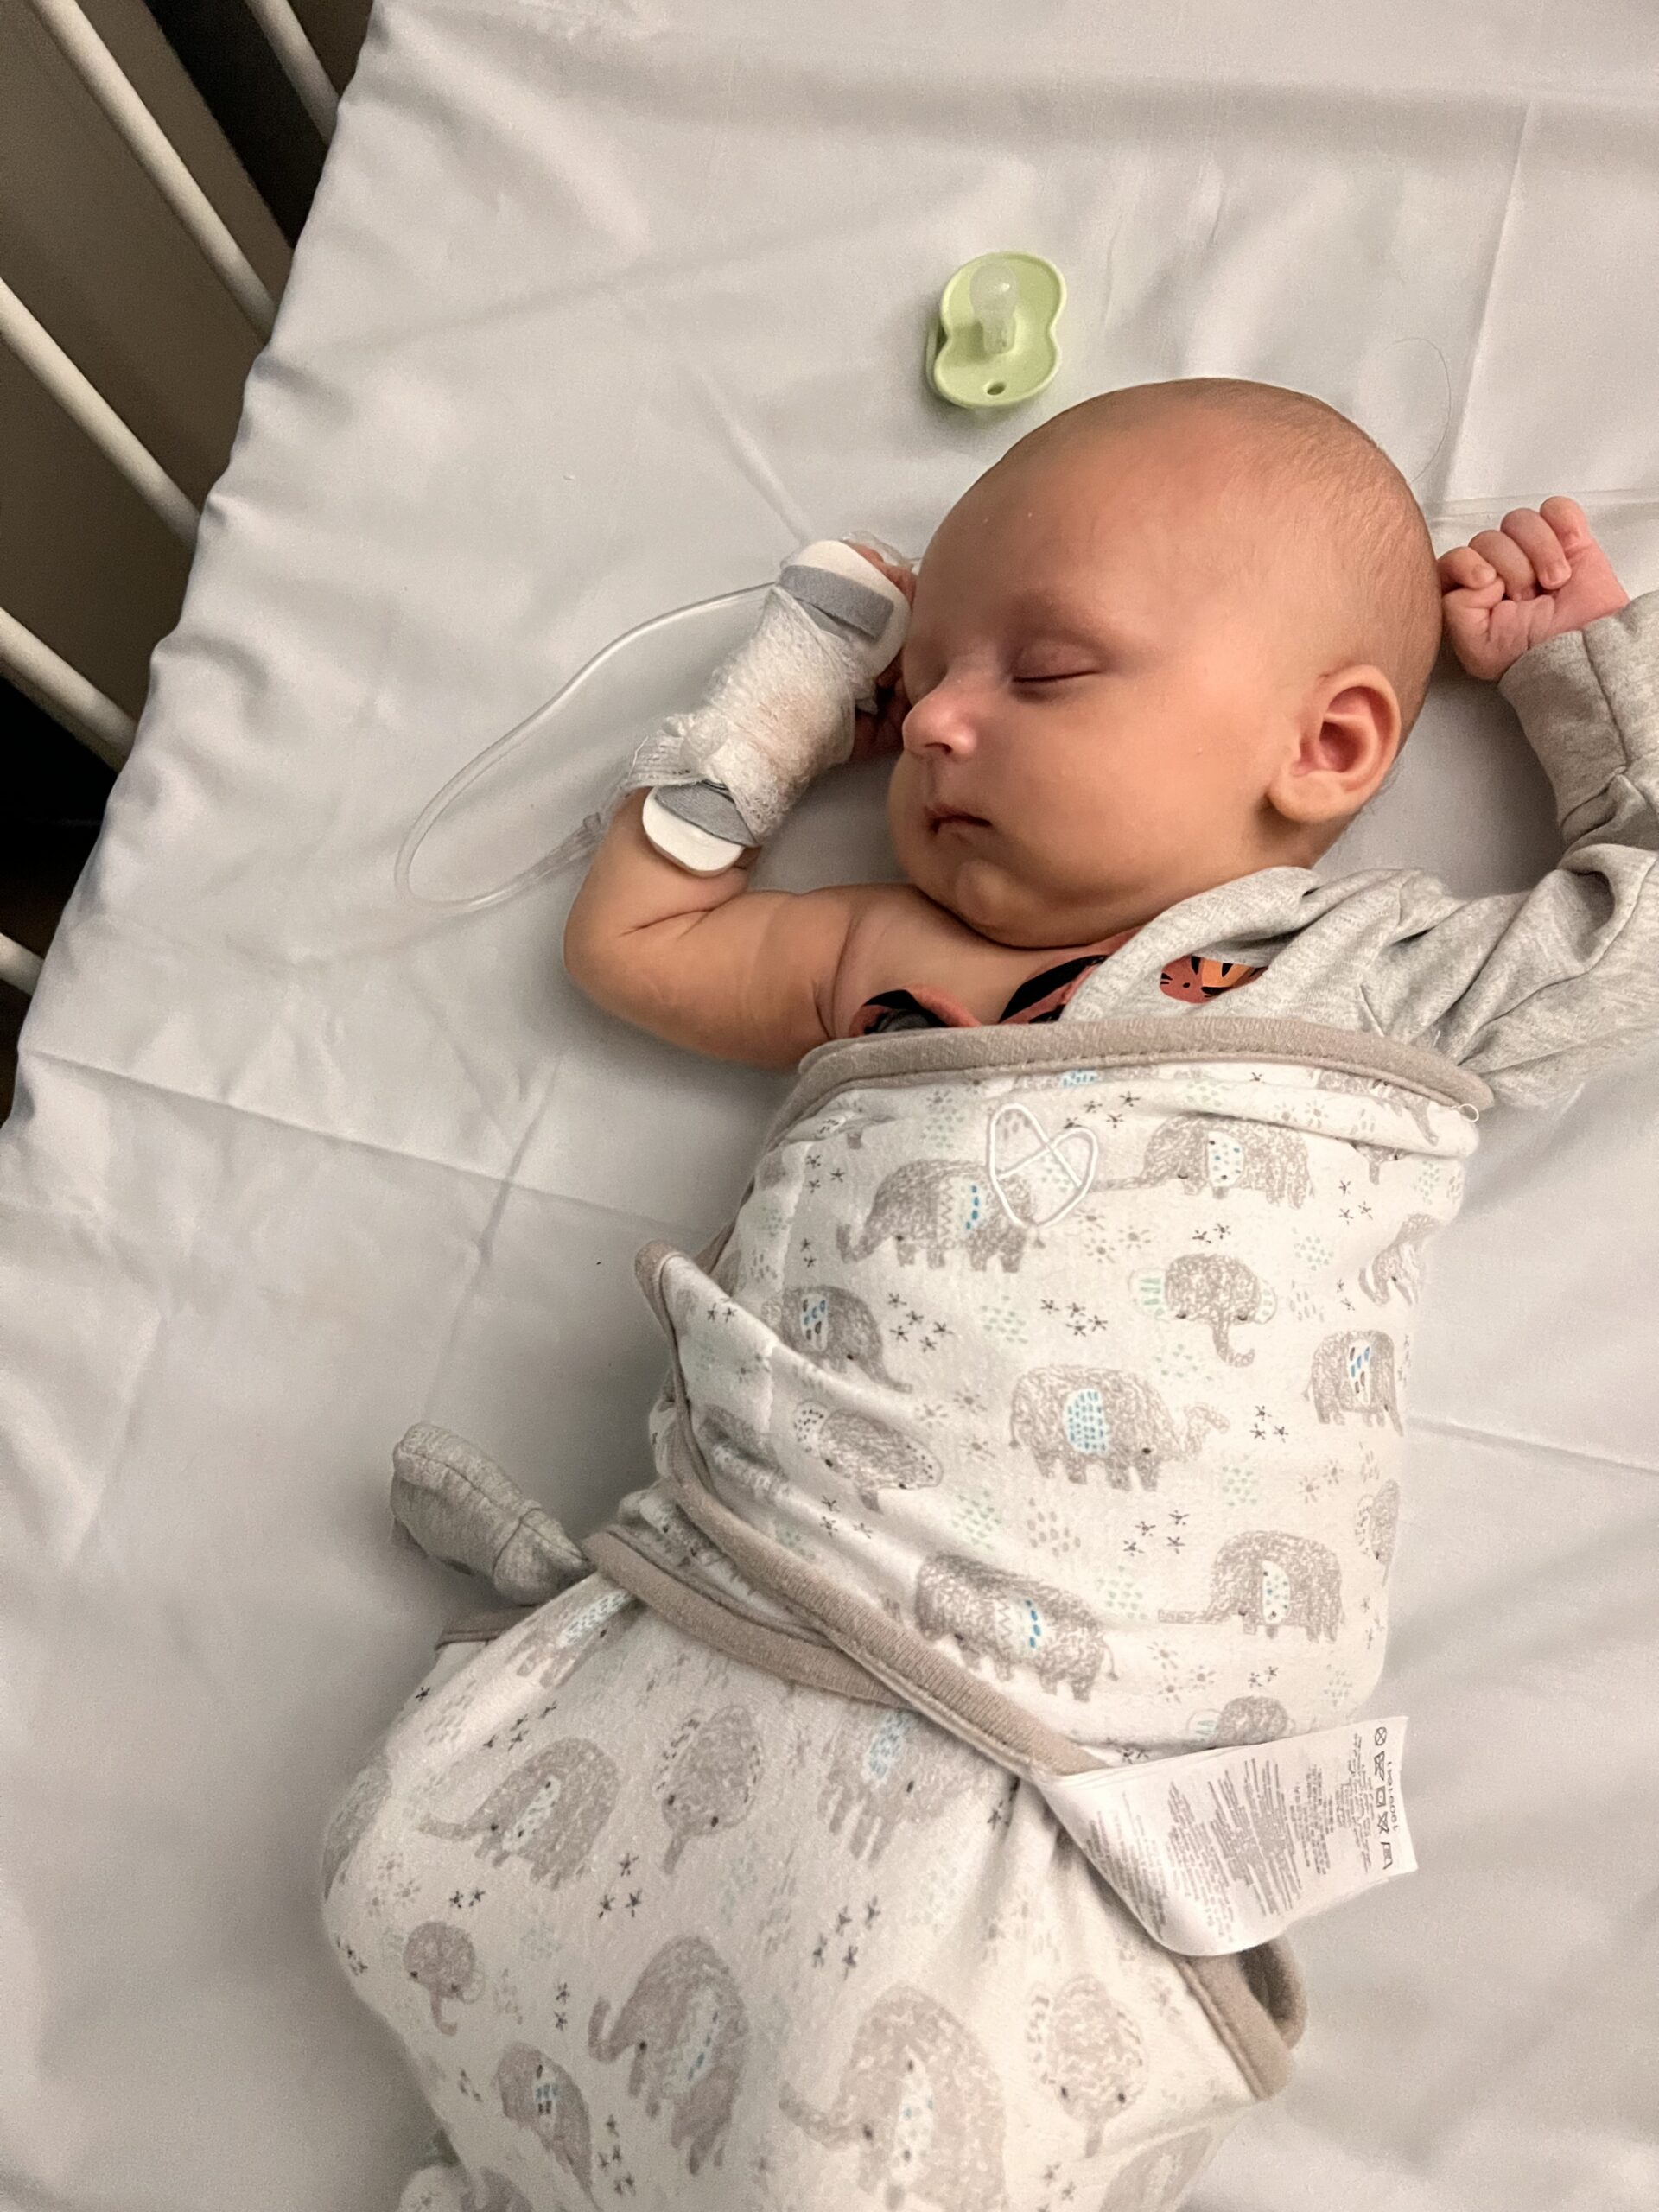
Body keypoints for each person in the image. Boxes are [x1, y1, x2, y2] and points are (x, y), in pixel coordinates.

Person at [323, 380, 1657, 2212]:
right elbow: (629, 943)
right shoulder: (887, 953)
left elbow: (1640, 934)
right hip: (769, 1594)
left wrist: (1578, 679)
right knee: (438, 1881)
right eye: (927, 677)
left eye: (1043, 671)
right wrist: (797, 689)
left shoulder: (1373, 972)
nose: (941, 718)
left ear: (1332, 742)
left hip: (1081, 1708)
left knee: (889, 2104)